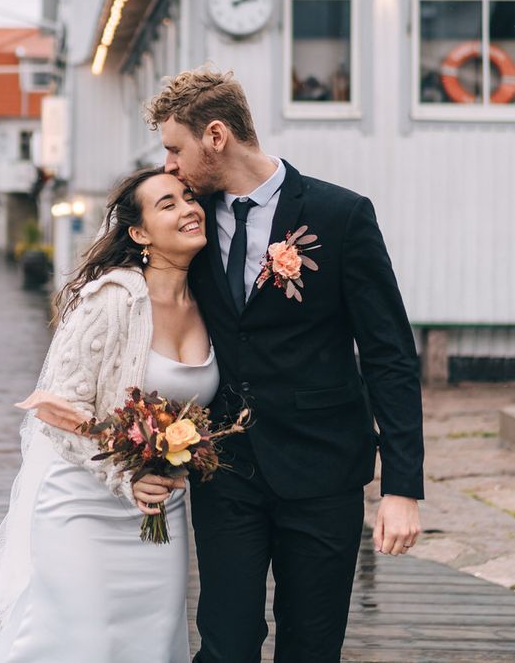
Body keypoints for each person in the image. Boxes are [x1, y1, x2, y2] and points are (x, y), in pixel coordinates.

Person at [138, 68, 425, 663]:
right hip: (224, 470)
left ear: (215, 136)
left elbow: (389, 354)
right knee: (227, 644)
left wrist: (402, 487)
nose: (169, 164)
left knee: (312, 646)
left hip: (324, 472)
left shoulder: (342, 215)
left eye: (175, 148)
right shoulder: (186, 225)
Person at [0, 166, 218, 662]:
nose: (189, 208)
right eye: (167, 204)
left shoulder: (213, 302)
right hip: (84, 508)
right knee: (81, 643)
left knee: (150, 643)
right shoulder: (112, 299)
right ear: (139, 233)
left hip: (161, 515)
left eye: (188, 197)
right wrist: (125, 476)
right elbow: (58, 411)